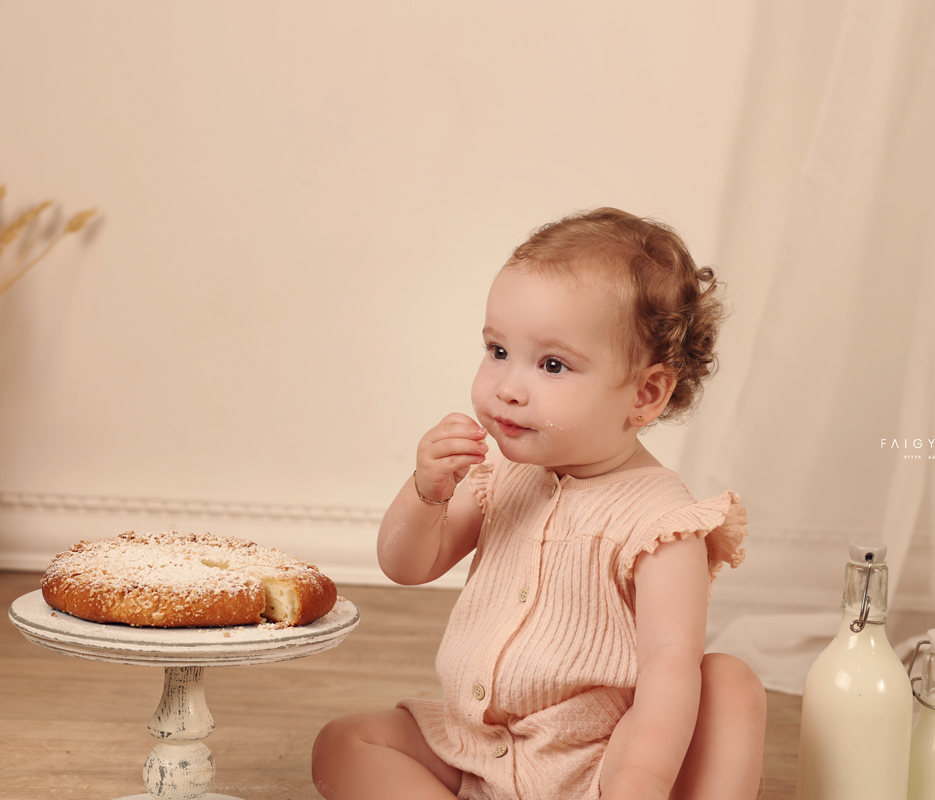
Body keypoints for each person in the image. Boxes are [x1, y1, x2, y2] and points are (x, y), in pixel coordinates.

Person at [312, 208, 767, 800]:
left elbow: (668, 667)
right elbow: (407, 564)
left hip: (595, 763)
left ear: (646, 393)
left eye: (552, 365)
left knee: (727, 683)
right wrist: (427, 492)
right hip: (478, 746)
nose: (508, 386)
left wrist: (639, 781)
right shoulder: (503, 473)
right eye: (498, 350)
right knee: (344, 743)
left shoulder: (661, 521)